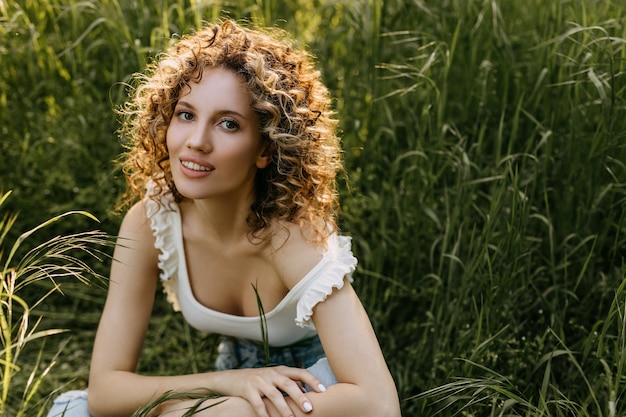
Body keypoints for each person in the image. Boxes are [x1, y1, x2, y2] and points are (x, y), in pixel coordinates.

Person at [47, 19, 401, 417]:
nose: (197, 141)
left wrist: (199, 411)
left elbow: (378, 404)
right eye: (185, 115)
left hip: (317, 390)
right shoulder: (152, 220)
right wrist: (226, 383)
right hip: (236, 381)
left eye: (228, 123)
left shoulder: (292, 235)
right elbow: (106, 391)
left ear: (265, 148)